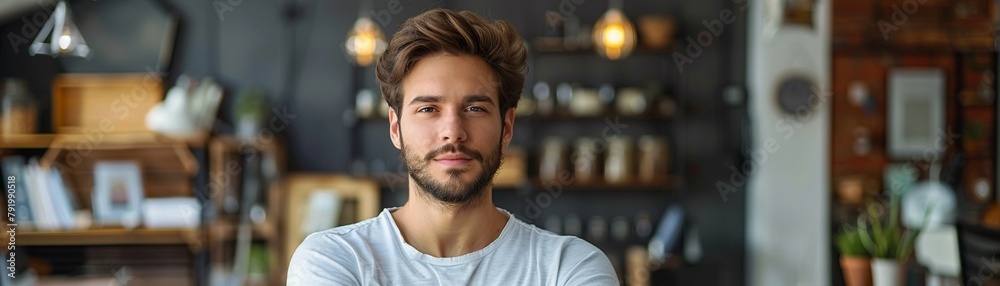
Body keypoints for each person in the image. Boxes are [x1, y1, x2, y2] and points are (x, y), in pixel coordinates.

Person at [287, 9, 618, 285]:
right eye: (428, 109)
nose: (453, 132)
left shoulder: (570, 268)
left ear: (506, 127)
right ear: (395, 127)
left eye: (475, 109)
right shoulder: (335, 261)